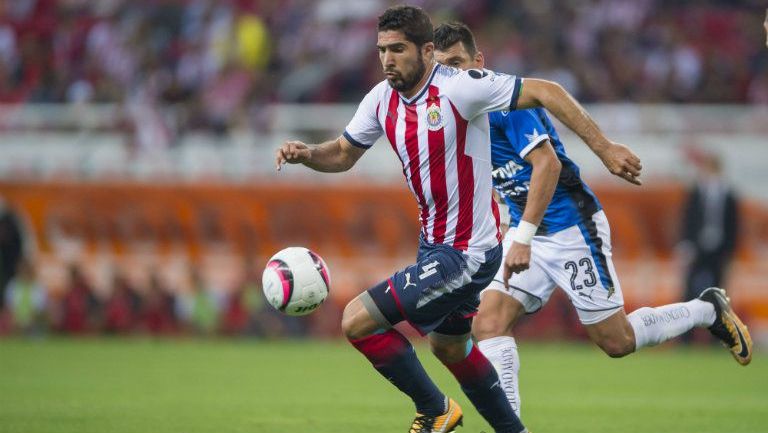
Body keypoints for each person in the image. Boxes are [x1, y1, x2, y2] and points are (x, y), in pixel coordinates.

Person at [276, 6, 638, 433]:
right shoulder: (380, 100)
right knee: (450, 348)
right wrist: (309, 155)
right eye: (381, 51)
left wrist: (604, 148)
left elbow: (548, 91)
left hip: (467, 253)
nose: (388, 59)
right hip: (436, 246)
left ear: (427, 51)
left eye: (398, 49)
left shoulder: (461, 87)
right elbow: (342, 153)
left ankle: (435, 409)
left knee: (356, 321)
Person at [432, 21, 753, 418]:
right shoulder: (454, 112)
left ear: (478, 61)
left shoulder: (503, 101)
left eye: (459, 63)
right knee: (489, 321)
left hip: (570, 227)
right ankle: (509, 427)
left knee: (616, 340)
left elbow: (545, 165)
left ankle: (707, 309)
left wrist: (524, 236)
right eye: (444, 68)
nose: (454, 75)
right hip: (524, 229)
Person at [679, 153, 739, 306]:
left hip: (719, 247)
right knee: (689, 288)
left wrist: (730, 250)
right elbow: (688, 219)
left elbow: (733, 225)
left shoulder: (728, 195)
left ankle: (716, 327)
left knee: (718, 289)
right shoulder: (697, 192)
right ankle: (688, 328)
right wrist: (686, 243)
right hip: (698, 245)